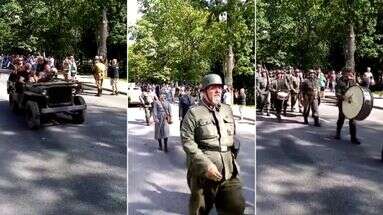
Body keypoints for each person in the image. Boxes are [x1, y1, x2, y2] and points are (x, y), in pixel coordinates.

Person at [181, 74, 245, 215]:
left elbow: (232, 136)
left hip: (228, 170)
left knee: (236, 206)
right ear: (203, 91)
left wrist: (233, 157)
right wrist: (206, 165)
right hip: (203, 174)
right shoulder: (193, 113)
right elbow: (187, 142)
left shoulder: (226, 109)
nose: (218, 91)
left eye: (220, 87)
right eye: (213, 88)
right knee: (199, 210)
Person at [335, 68, 361, 144]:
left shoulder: (352, 81)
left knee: (353, 120)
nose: (350, 74)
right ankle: (338, 133)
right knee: (341, 118)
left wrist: (355, 82)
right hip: (342, 103)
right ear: (344, 73)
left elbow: (357, 90)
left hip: (351, 103)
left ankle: (353, 138)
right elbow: (337, 94)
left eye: (351, 73)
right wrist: (345, 98)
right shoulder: (340, 82)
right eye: (348, 73)